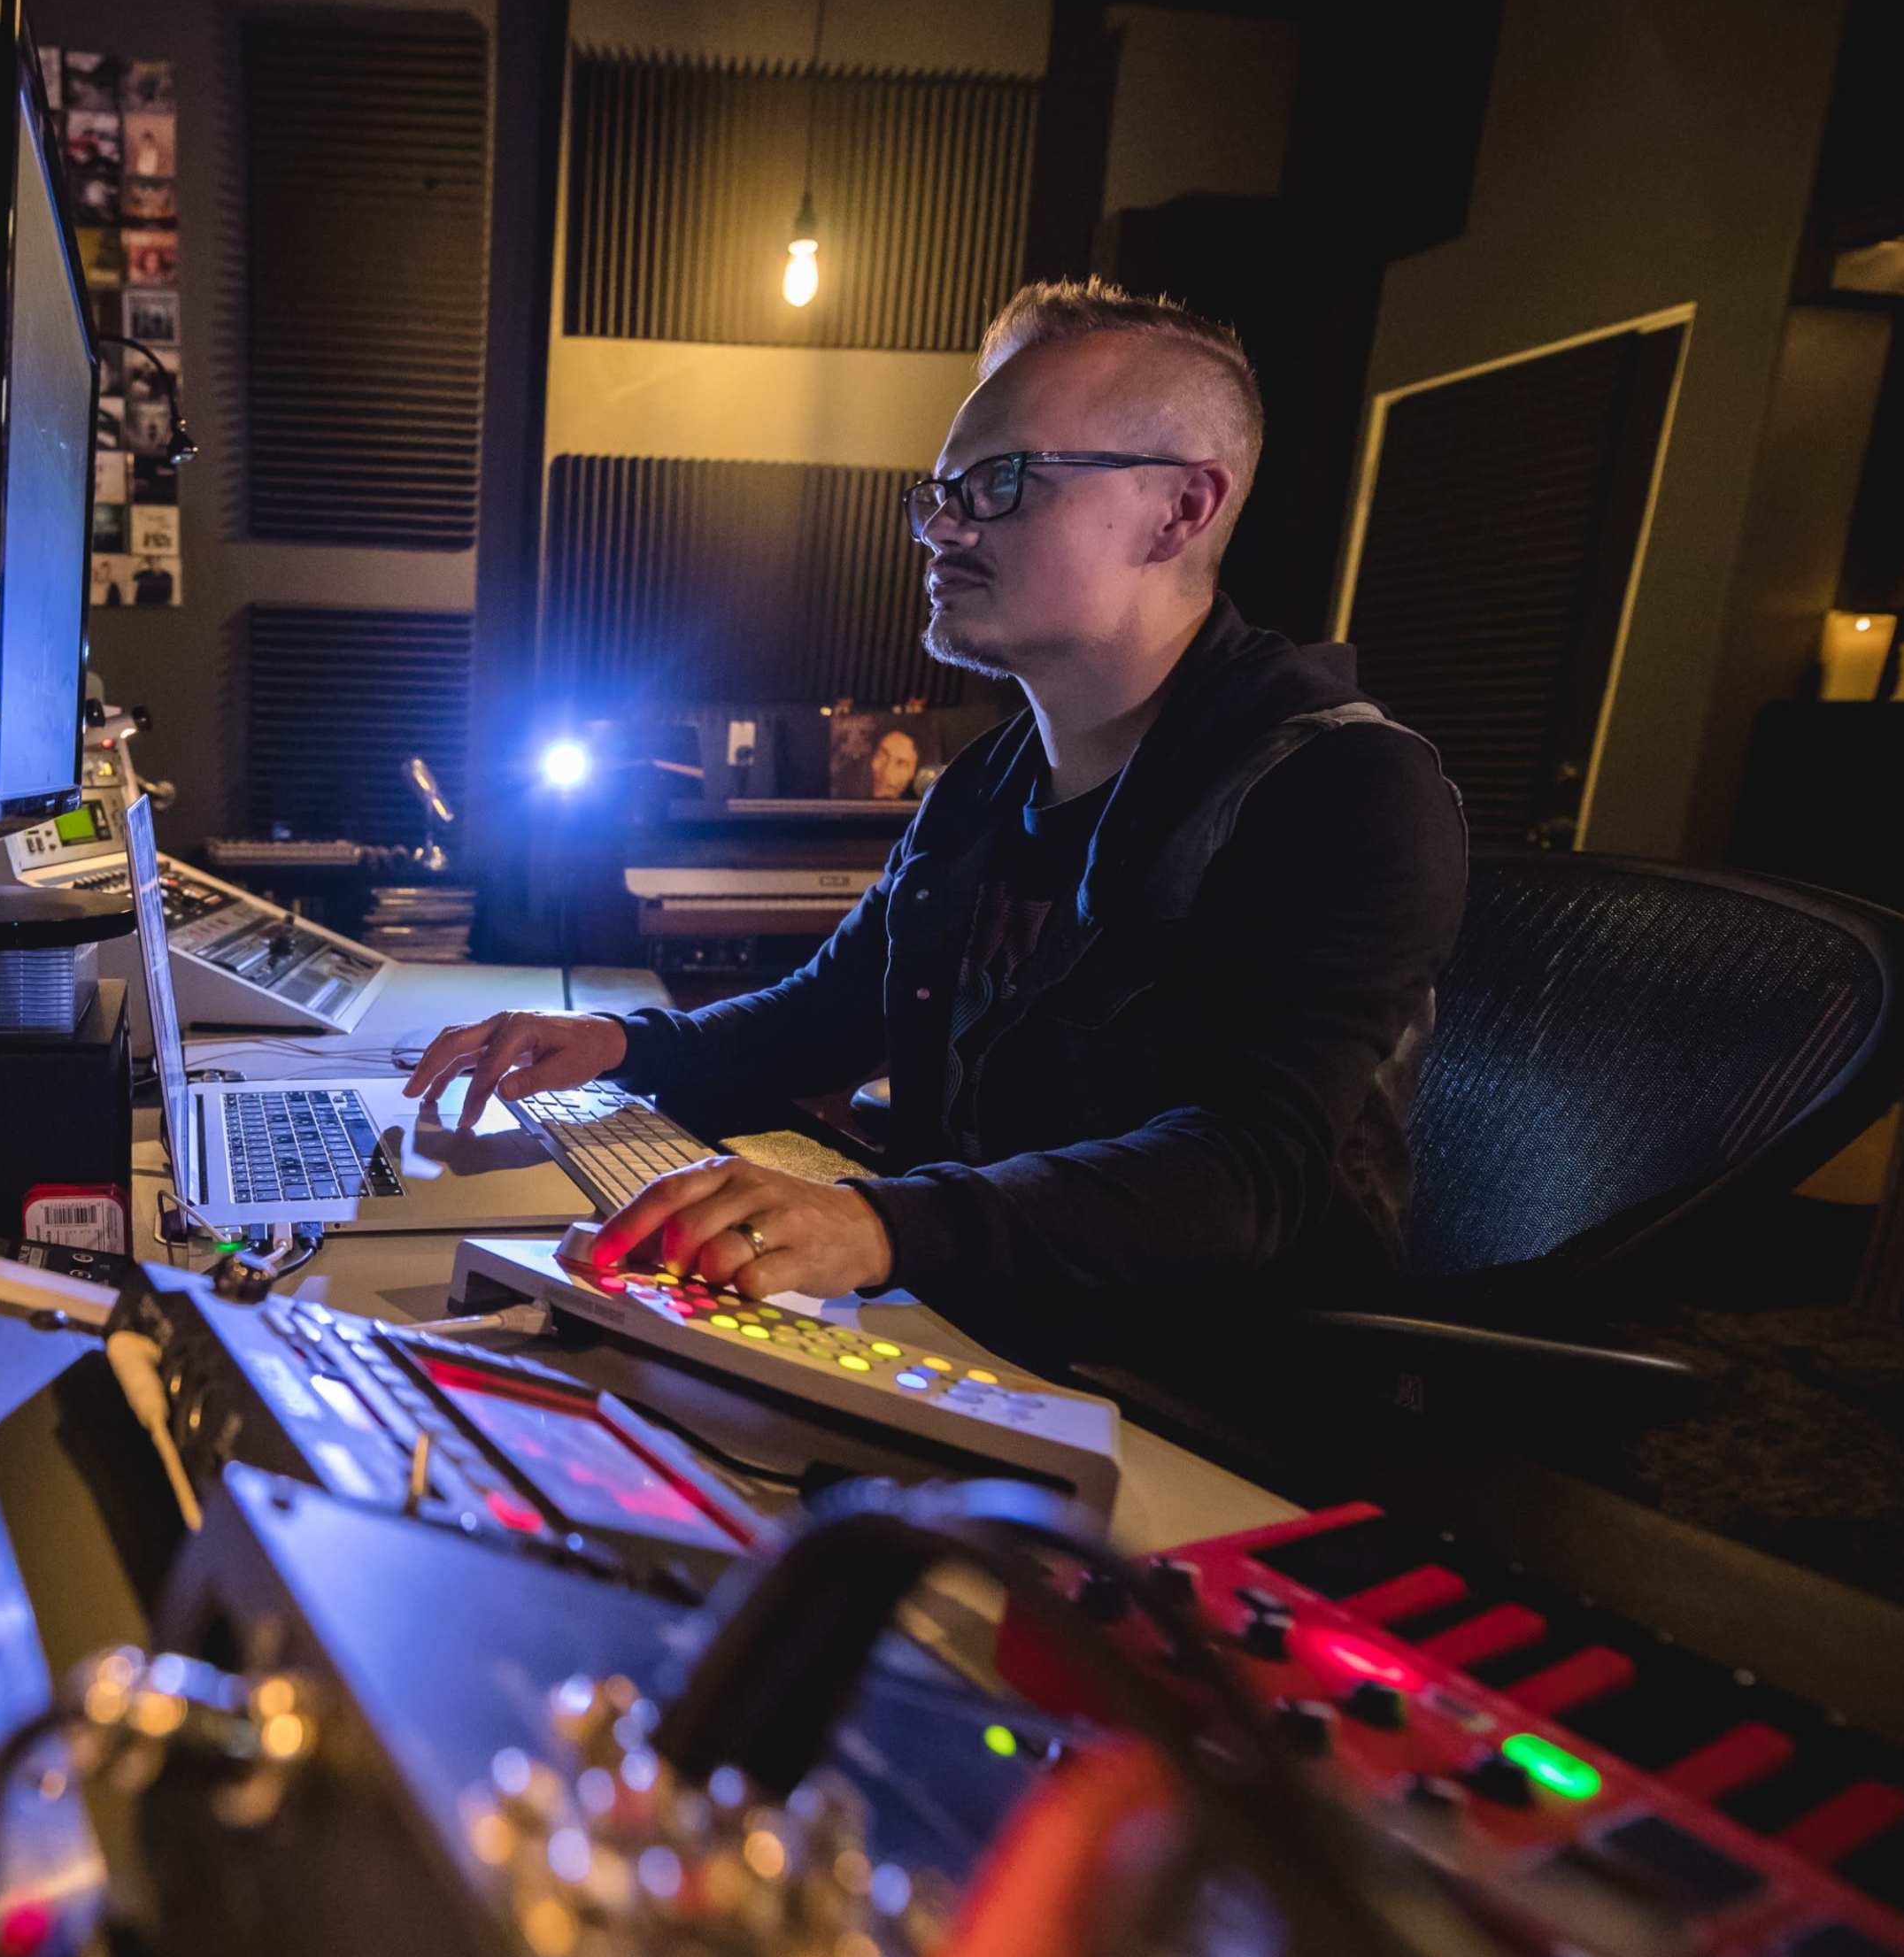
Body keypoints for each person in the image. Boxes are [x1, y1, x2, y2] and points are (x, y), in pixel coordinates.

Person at [405, 280, 1466, 1335]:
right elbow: (828, 1016)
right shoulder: (987, 781)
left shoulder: (1343, 788)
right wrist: (622, 1049)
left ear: (1182, 509)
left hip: (1213, 1400)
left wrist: (876, 1227)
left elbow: (1245, 1174)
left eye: (1002, 481)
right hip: (972, 1328)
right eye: (942, 491)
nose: (943, 529)